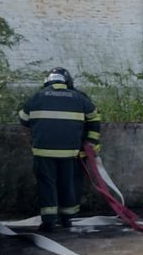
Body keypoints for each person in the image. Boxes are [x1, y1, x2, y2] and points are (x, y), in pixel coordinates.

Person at [19, 67, 101, 231]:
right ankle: (67, 218)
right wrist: (91, 141)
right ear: (67, 82)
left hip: (44, 152)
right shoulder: (79, 98)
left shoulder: (37, 97)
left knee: (47, 185)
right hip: (70, 152)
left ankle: (49, 221)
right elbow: (95, 118)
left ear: (47, 81)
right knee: (68, 184)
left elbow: (23, 119)